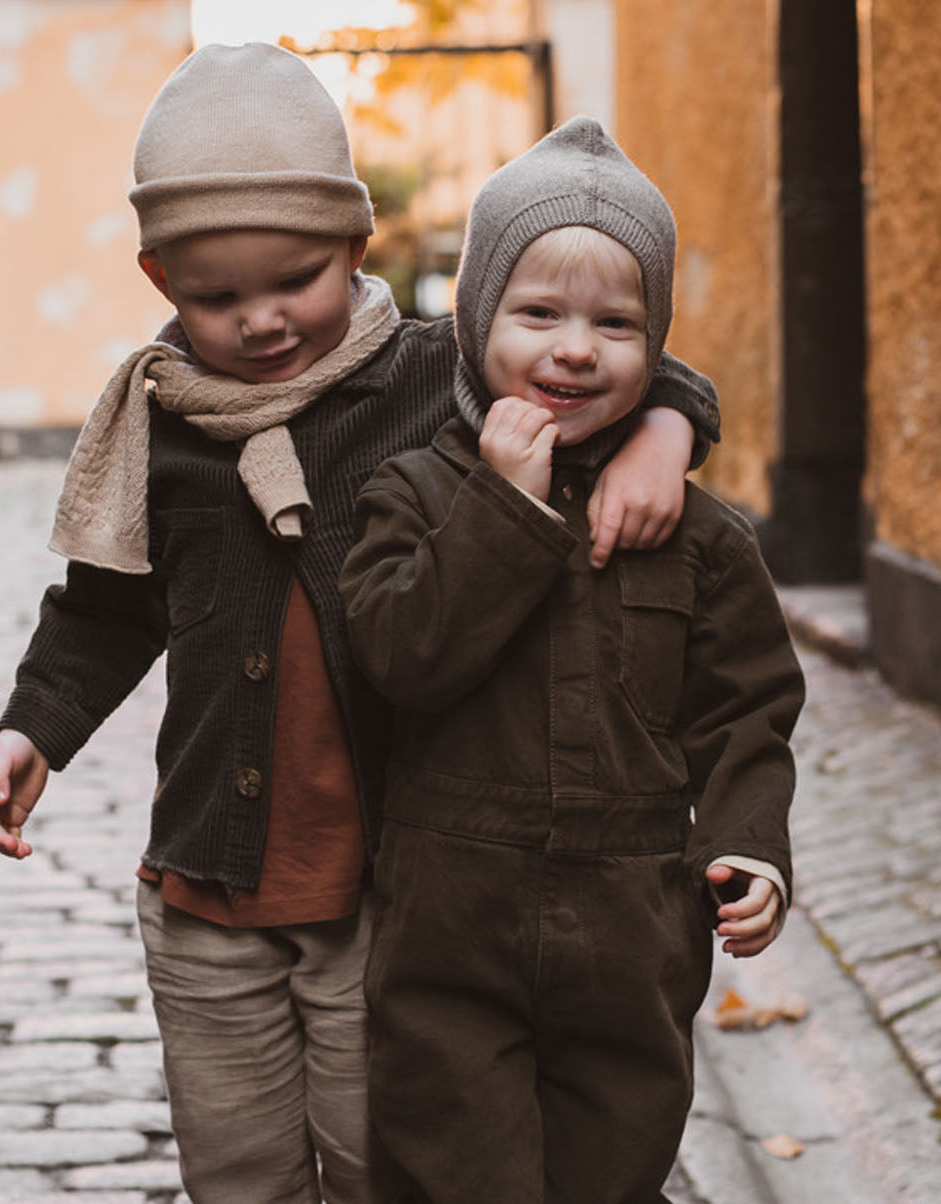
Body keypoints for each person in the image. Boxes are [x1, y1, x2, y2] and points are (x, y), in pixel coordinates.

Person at [0, 44, 720, 1204]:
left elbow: (599, 368)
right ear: (159, 278)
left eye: (295, 280)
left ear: (356, 248)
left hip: (393, 889)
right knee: (240, 1172)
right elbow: (105, 611)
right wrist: (31, 732)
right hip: (209, 883)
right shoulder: (159, 422)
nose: (261, 320)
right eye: (216, 297)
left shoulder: (428, 382)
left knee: (393, 1169)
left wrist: (669, 425)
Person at [339, 116, 805, 1204]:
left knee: (614, 1176)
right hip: (449, 922)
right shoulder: (411, 493)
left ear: (658, 343)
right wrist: (504, 507)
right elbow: (398, 656)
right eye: (536, 313)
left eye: (616, 322)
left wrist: (751, 851)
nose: (575, 348)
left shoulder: (700, 536)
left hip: (629, 938)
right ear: (473, 320)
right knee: (459, 1175)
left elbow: (746, 713)